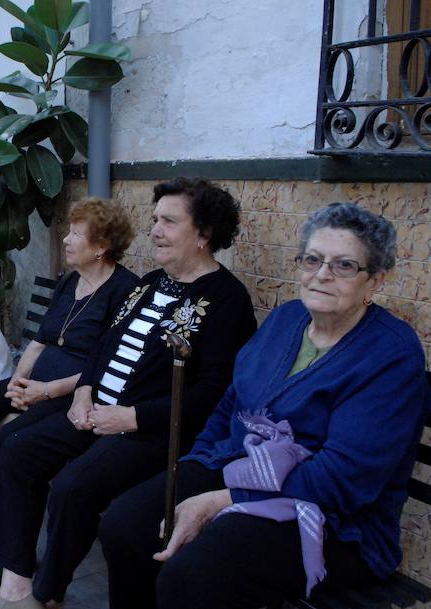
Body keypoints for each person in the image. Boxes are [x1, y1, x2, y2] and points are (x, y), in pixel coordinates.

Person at [98, 202, 430, 609]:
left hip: (333, 519)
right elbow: (230, 405)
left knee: (194, 573)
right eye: (312, 259)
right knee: (125, 524)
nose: (322, 274)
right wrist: (195, 465)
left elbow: (342, 480)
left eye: (344, 265)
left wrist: (224, 499)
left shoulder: (391, 355)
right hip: (237, 468)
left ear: (374, 281)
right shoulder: (287, 318)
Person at [0, 178, 258, 609]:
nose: (155, 230)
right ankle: (15, 572)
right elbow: (102, 346)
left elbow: (214, 394)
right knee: (17, 448)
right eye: (155, 220)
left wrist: (133, 418)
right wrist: (84, 391)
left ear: (204, 234)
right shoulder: (149, 283)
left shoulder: (227, 301)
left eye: (169, 221)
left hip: (153, 431)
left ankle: (46, 594)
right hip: (95, 413)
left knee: (72, 487)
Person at [0, 198, 140, 582]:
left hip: (75, 393)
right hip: (37, 380)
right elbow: (41, 342)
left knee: (11, 439)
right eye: (69, 230)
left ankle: (10, 553)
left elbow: (106, 366)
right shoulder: (69, 282)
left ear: (101, 246)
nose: (65, 239)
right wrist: (17, 381)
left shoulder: (126, 291)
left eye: (77, 233)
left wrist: (43, 391)